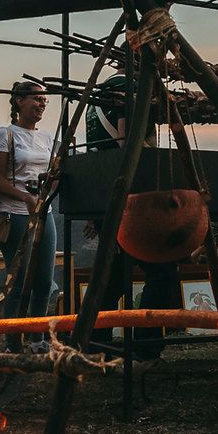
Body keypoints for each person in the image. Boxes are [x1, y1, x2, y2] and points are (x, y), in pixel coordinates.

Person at [84, 72, 183, 359]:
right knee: (161, 272)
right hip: (131, 197)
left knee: (114, 272)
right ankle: (146, 345)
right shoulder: (128, 86)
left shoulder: (103, 91)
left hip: (105, 192)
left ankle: (95, 338)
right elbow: (127, 140)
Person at [0, 81, 57, 323]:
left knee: (44, 280)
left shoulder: (47, 138)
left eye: (44, 101)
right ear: (20, 100)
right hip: (14, 214)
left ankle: (38, 338)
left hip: (43, 213)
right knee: (18, 278)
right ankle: (12, 340)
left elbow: (53, 174)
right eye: (37, 99)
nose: (42, 104)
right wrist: (25, 197)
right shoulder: (5, 134)